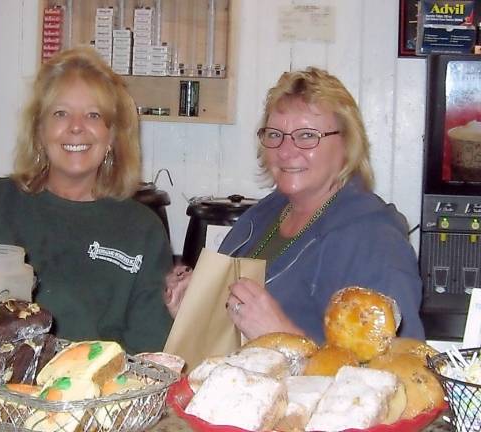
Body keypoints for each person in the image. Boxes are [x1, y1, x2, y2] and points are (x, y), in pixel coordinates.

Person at [0, 47, 173, 354]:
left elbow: (149, 355)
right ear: (39, 130)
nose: (76, 126)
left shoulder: (142, 231)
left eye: (93, 115)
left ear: (112, 136)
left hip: (90, 399)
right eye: (60, 113)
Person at [165, 67, 425, 344]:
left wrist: (283, 337)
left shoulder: (375, 241)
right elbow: (231, 333)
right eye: (275, 135)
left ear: (348, 143)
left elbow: (395, 374)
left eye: (307, 136)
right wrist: (194, 313)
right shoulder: (259, 218)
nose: (286, 151)